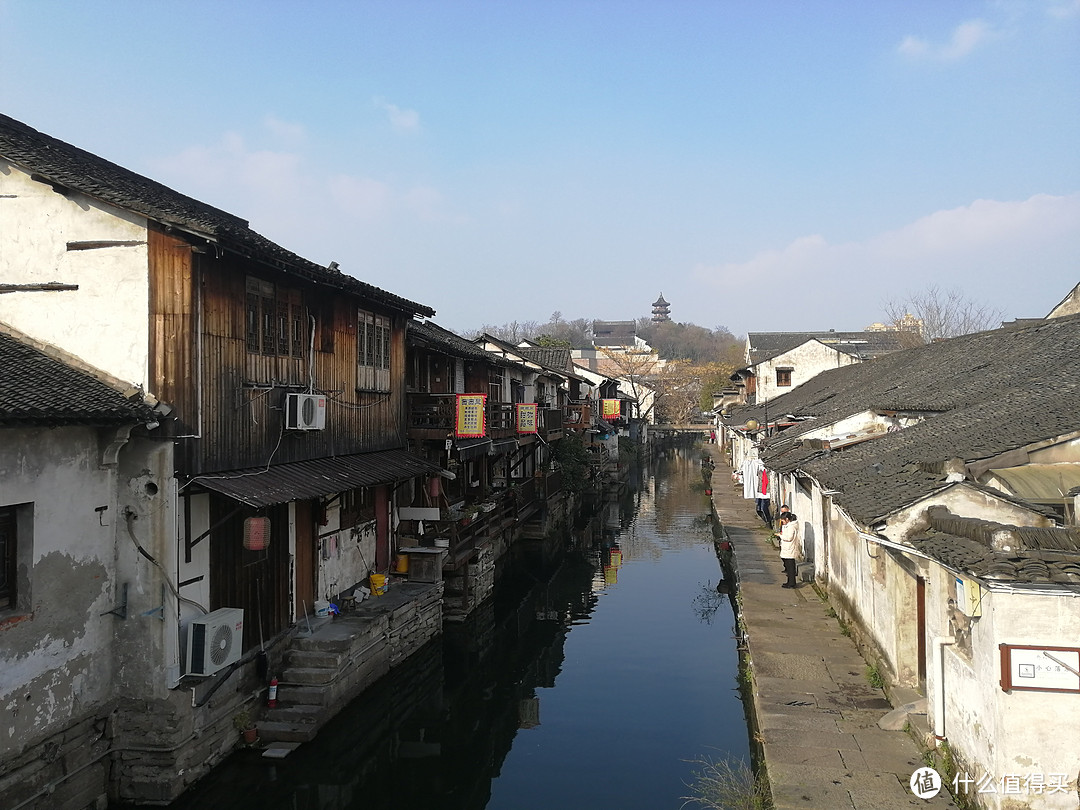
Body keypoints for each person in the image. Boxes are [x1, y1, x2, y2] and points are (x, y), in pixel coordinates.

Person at [777, 512, 802, 588]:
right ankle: (789, 582)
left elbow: (789, 537)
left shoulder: (791, 527)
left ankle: (791, 583)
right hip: (787, 548)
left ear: (787, 519)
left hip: (790, 548)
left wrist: (781, 536)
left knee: (790, 567)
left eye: (783, 520)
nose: (782, 522)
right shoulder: (787, 526)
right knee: (788, 566)